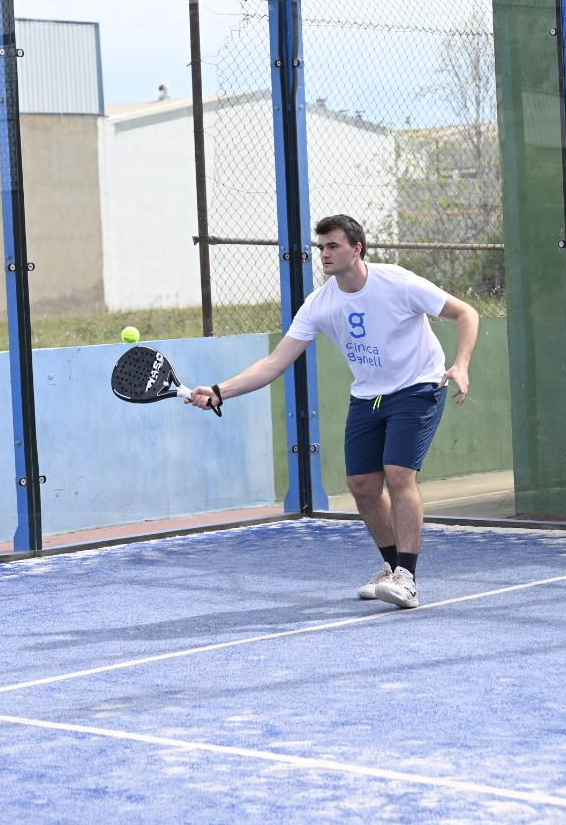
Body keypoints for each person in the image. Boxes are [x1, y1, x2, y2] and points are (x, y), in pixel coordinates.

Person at [188, 214, 479, 610]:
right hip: (367, 396)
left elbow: (466, 313)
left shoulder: (398, 282)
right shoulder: (320, 303)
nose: (324, 254)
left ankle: (407, 578)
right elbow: (275, 363)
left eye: (333, 246)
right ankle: (391, 569)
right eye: (320, 247)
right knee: (361, 484)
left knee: (398, 475)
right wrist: (221, 391)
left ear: (356, 249)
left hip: (419, 387)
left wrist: (460, 364)